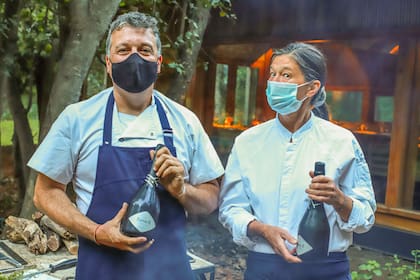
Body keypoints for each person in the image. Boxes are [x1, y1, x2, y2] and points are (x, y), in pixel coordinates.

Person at [28, 11, 224, 280]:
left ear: (158, 63)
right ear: (108, 63)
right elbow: (45, 192)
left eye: (144, 50)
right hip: (101, 270)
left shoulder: (185, 122)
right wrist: (97, 232)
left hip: (170, 272)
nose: (134, 57)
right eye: (124, 50)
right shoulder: (77, 119)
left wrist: (183, 191)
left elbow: (211, 198)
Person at [218, 42, 376, 280]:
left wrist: (339, 200)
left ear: (311, 87)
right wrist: (261, 229)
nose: (275, 81)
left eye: (286, 75)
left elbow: (365, 218)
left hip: (326, 269)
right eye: (272, 74)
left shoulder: (341, 142)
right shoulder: (248, 142)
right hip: (265, 268)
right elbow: (230, 208)